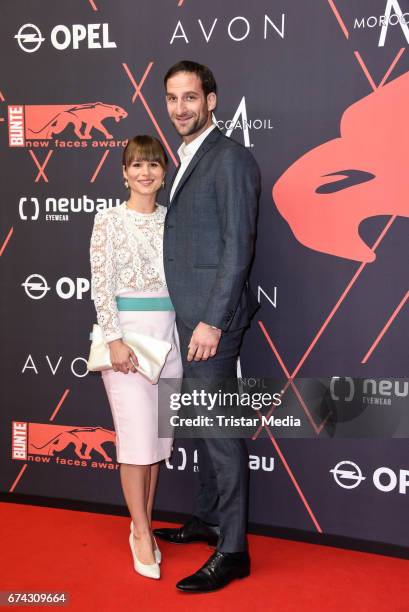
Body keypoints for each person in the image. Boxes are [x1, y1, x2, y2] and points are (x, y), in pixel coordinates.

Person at [154, 60, 261, 592]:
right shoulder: (183, 162)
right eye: (172, 98)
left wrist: (212, 323)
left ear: (212, 101)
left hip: (209, 325)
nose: (180, 108)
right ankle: (207, 518)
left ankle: (235, 549)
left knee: (219, 432)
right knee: (199, 422)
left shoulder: (231, 159)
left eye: (190, 98)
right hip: (186, 317)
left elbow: (237, 250)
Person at [90, 135, 182, 580]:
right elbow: (100, 283)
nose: (145, 173)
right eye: (137, 165)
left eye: (153, 165)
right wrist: (114, 339)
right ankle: (143, 534)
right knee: (136, 439)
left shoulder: (174, 220)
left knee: (157, 443)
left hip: (171, 340)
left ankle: (139, 521)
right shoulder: (107, 220)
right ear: (124, 173)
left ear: (165, 174)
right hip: (127, 341)